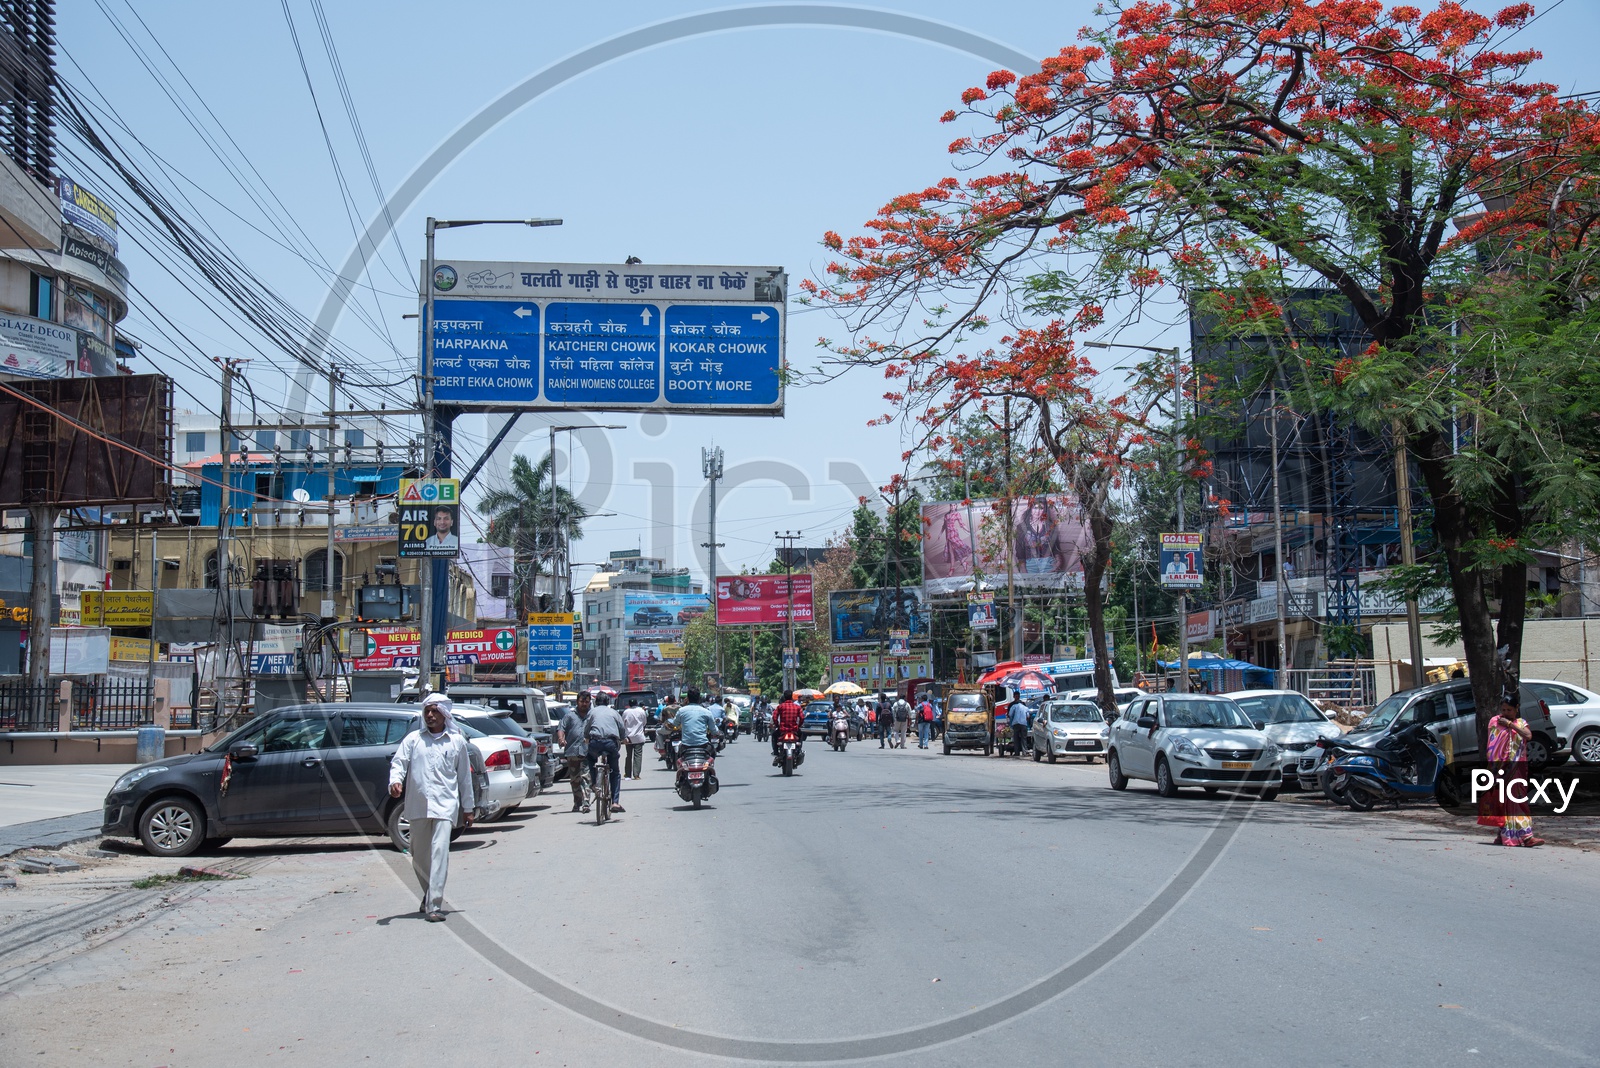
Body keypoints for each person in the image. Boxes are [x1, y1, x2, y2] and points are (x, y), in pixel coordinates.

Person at [388, 694, 475, 922]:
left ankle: (434, 904)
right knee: (419, 855)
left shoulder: (456, 742)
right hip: (417, 806)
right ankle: (428, 893)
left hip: (445, 807)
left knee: (439, 853)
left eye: (435, 711)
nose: (430, 715)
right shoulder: (413, 739)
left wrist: (468, 807)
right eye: (427, 711)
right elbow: (399, 763)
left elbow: (464, 777)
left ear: (445, 714)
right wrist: (395, 781)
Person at [1478, 693, 1546, 847]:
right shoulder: (1495, 721)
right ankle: (1511, 835)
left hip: (1517, 769)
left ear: (1516, 709)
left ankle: (1523, 836)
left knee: (1517, 801)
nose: (1506, 713)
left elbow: (1528, 736)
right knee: (1502, 802)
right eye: (1503, 709)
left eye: (1509, 710)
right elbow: (1493, 744)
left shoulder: (1521, 723)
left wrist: (1511, 725)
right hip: (1500, 769)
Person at [585, 694, 626, 813]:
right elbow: (621, 728)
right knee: (615, 772)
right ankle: (615, 802)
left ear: (596, 702)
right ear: (608, 702)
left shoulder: (592, 712)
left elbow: (587, 728)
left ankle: (594, 783)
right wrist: (623, 738)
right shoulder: (613, 712)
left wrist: (586, 737)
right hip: (610, 743)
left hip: (595, 743)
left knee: (591, 759)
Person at [557, 691, 592, 813]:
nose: (584, 704)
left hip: (587, 752)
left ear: (589, 702)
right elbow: (561, 728)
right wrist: (561, 739)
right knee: (575, 780)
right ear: (577, 702)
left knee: (586, 778)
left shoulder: (592, 716)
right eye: (582, 701)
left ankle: (586, 803)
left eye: (586, 702)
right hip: (572, 752)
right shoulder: (570, 716)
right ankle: (577, 803)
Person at [675, 688, 720, 755]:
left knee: (678, 757)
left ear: (687, 698)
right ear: (699, 699)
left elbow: (675, 724)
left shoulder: (681, 711)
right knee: (713, 753)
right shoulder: (707, 712)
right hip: (703, 745)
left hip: (686, 746)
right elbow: (714, 730)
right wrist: (717, 732)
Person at [771, 690, 805, 764]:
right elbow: (802, 718)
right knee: (801, 735)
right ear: (792, 696)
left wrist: (777, 725)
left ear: (784, 697)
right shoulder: (797, 707)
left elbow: (774, 717)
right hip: (794, 729)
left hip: (782, 730)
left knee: (774, 735)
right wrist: (798, 726)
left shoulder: (780, 706)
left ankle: (776, 752)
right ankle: (799, 750)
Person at [622, 699, 648, 780]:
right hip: (638, 737)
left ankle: (627, 774)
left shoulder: (626, 712)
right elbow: (644, 722)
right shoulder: (641, 711)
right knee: (638, 756)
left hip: (628, 737)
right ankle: (636, 775)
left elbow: (623, 723)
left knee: (628, 756)